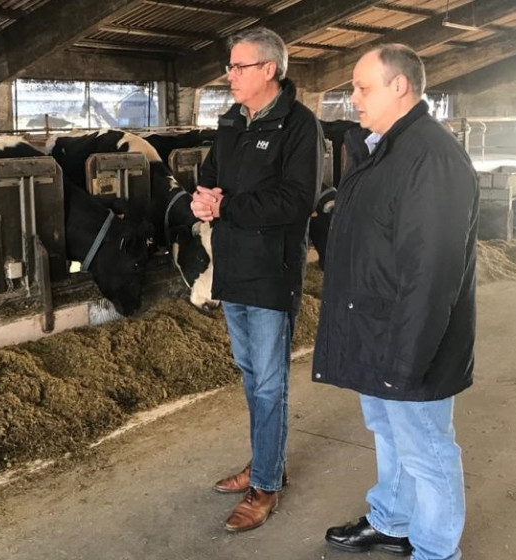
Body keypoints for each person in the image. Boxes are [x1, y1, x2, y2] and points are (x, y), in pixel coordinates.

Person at [312, 43, 478, 560]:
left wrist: (407, 362)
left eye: (363, 87)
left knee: (427, 450)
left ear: (399, 86)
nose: (354, 98)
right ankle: (394, 520)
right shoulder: (385, 148)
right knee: (388, 431)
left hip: (410, 339)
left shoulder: (430, 159)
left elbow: (431, 274)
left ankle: (434, 550)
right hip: (377, 331)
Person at [191, 26, 323, 532]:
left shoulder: (298, 125)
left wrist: (228, 207)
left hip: (272, 271)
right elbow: (208, 175)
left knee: (269, 384)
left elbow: (297, 200)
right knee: (250, 375)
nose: (229, 74)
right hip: (233, 267)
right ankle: (265, 461)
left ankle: (265, 486)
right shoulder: (230, 122)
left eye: (238, 66)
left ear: (269, 69)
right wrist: (201, 199)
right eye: (230, 66)